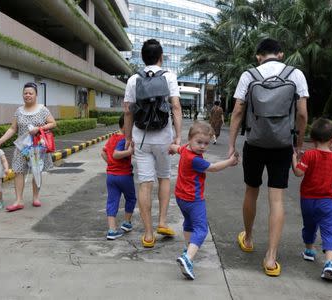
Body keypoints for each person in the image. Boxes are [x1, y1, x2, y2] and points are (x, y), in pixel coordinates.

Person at [228, 38, 309, 276]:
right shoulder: (296, 75)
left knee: (251, 190)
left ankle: (250, 238)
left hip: (254, 142)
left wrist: (231, 145)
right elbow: (302, 114)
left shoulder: (249, 75)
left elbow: (238, 111)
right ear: (281, 54)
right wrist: (298, 145)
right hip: (283, 144)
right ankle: (271, 258)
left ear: (258, 56)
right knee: (277, 199)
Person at [124, 39, 182, 248]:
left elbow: (128, 111)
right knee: (164, 177)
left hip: (141, 139)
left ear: (142, 57)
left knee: (145, 183)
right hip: (164, 138)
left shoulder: (133, 79)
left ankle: (148, 234)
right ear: (161, 57)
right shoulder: (169, 77)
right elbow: (175, 106)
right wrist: (178, 135)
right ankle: (162, 222)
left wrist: (128, 138)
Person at [169, 121, 239, 280]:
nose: (202, 146)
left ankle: (189, 251)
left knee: (188, 223)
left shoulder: (186, 148)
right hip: (194, 199)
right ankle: (188, 258)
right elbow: (213, 167)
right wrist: (229, 162)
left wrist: (172, 148)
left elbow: (177, 148)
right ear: (190, 139)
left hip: (181, 197)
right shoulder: (196, 159)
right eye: (199, 142)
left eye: (206, 143)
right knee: (201, 229)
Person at [292, 118, 332, 282]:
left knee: (309, 226)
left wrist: (294, 158)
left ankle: (309, 251)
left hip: (308, 201)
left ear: (312, 139)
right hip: (328, 202)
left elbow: (298, 173)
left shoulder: (309, 155)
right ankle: (330, 264)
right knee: (330, 231)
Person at [0, 82, 57, 212]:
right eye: (25, 93)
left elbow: (53, 123)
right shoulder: (19, 111)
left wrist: (39, 128)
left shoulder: (42, 109)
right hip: (22, 148)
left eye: (31, 93)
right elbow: (13, 129)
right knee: (18, 171)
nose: (27, 95)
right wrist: (0, 141)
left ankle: (36, 197)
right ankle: (18, 200)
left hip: (37, 147)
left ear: (36, 95)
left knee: (36, 171)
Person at [101, 114, 137, 240]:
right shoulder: (123, 139)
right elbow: (116, 154)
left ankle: (112, 230)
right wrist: (129, 152)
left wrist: (110, 164)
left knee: (112, 201)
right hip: (124, 176)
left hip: (111, 176)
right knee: (131, 198)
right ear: (126, 127)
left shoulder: (112, 138)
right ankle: (127, 222)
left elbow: (103, 152)